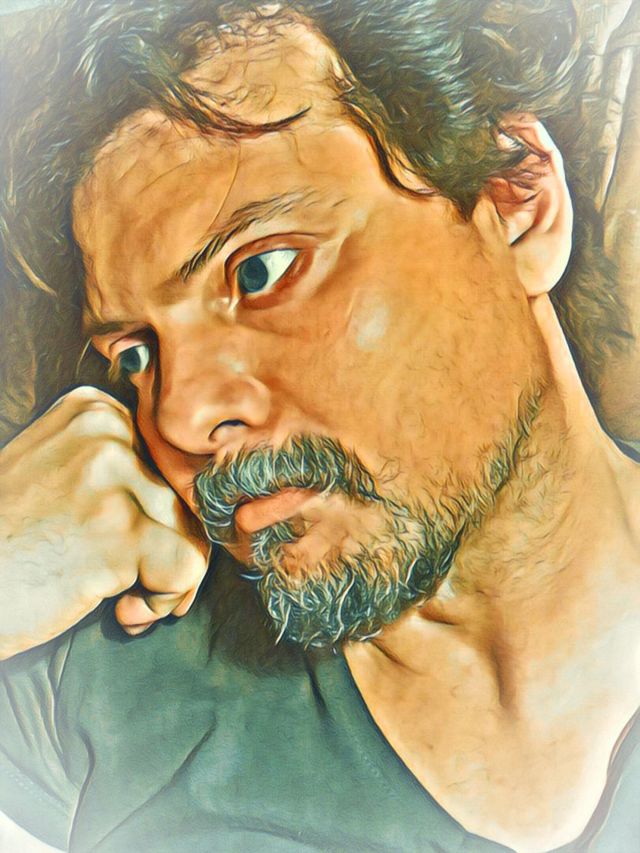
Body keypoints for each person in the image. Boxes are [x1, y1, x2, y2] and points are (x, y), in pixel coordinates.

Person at [1, 0, 639, 850]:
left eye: (261, 270)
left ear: (514, 197)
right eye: (138, 353)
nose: (182, 416)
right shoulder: (85, 663)